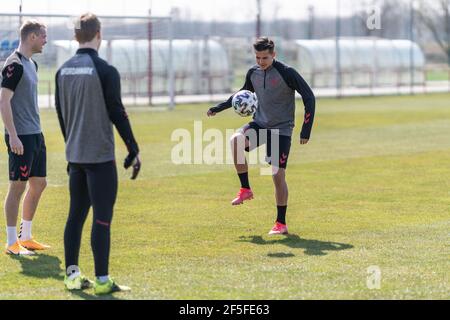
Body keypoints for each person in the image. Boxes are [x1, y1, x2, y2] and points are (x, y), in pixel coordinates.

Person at [55, 13, 141, 295]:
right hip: (100, 159)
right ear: (98, 34)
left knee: (75, 217)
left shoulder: (62, 70)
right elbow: (117, 111)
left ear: (75, 36)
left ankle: (71, 276)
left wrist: (71, 147)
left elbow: (61, 115)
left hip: (76, 157)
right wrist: (133, 149)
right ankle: (102, 281)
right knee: (102, 219)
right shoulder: (105, 70)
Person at [207, 37, 315, 235]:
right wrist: (219, 107)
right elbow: (241, 94)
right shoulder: (253, 73)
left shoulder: (287, 73)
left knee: (276, 174)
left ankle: (281, 224)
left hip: (281, 130)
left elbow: (309, 96)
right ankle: (245, 189)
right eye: (257, 57)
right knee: (236, 140)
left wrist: (305, 129)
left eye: (265, 57)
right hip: (260, 124)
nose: (261, 61)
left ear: (274, 55)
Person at [0, 20, 50, 255]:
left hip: (36, 134)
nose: (45, 40)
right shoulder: (14, 64)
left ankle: (26, 236)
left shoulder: (33, 64)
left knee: (39, 183)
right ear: (32, 37)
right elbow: (3, 101)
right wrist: (13, 136)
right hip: (21, 137)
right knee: (17, 187)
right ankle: (11, 243)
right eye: (43, 36)